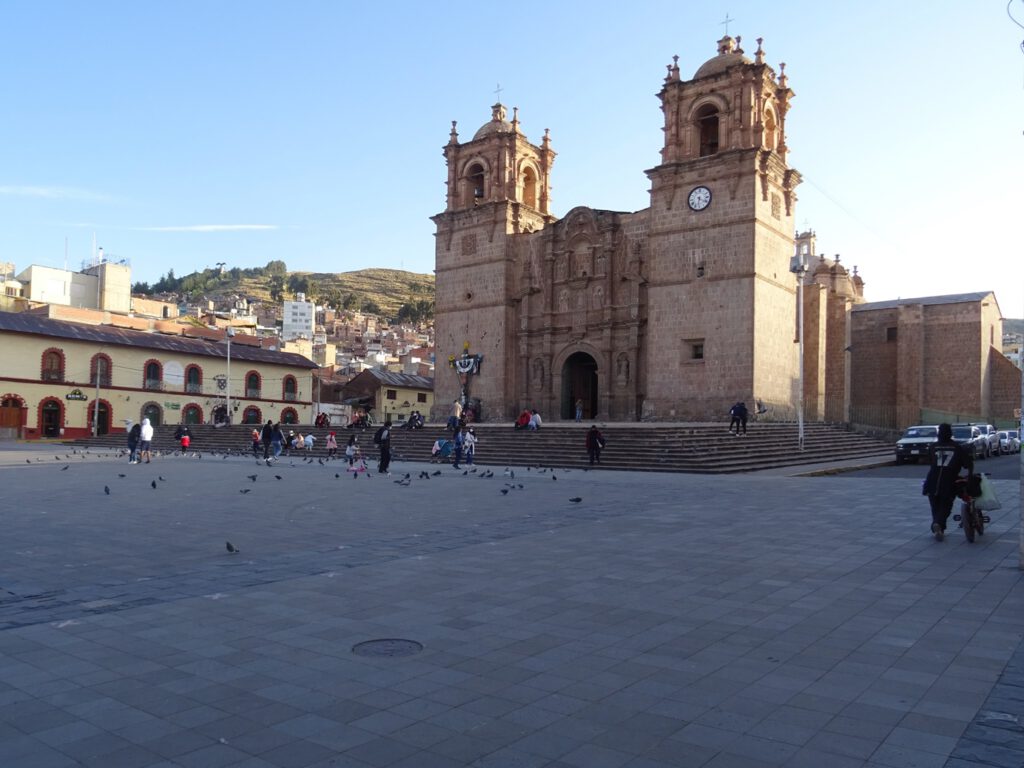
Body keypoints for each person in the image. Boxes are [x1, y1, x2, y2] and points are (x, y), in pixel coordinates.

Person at [923, 422, 974, 541]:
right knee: (946, 506)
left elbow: (930, 461)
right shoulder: (957, 447)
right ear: (950, 433)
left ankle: (938, 526)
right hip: (949, 480)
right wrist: (969, 476)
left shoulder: (933, 447)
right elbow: (968, 464)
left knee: (935, 506)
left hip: (932, 480)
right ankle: (938, 524)